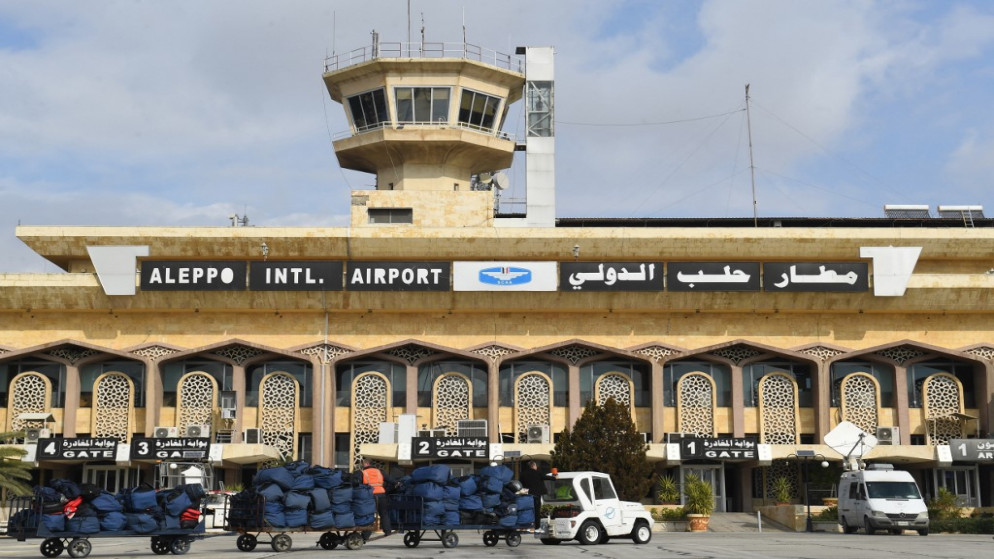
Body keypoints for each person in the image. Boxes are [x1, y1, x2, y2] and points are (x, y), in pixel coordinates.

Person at [361, 459, 393, 538]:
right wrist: (396, 483)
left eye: (363, 464)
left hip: (370, 495)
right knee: (384, 513)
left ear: (367, 464)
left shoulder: (363, 472)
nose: (362, 465)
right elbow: (390, 480)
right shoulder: (379, 471)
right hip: (381, 494)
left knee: (369, 514)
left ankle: (365, 535)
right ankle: (387, 531)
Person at [518, 460, 547, 529]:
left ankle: (528, 524)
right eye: (536, 466)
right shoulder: (537, 473)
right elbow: (545, 477)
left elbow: (520, 483)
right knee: (537, 510)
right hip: (536, 494)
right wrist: (554, 478)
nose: (536, 467)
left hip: (527, 495)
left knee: (528, 510)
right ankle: (537, 526)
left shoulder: (523, 473)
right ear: (533, 466)